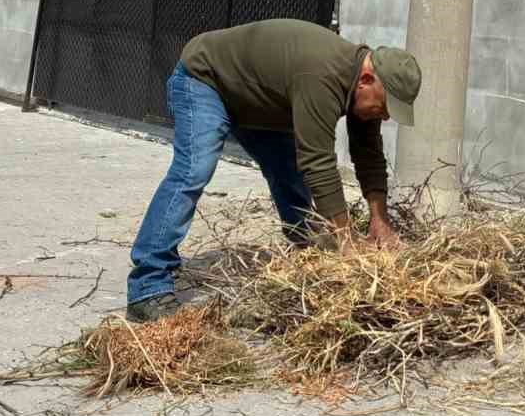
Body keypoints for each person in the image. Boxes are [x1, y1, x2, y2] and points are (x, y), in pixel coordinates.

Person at [126, 18, 422, 322]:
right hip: (206, 80)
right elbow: (318, 162)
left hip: (260, 100)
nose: (385, 117)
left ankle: (312, 260)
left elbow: (369, 157)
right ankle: (148, 285)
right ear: (367, 80)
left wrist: (380, 221)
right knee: (194, 169)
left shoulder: (363, 85)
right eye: (385, 107)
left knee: (289, 175)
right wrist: (346, 245)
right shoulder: (321, 74)